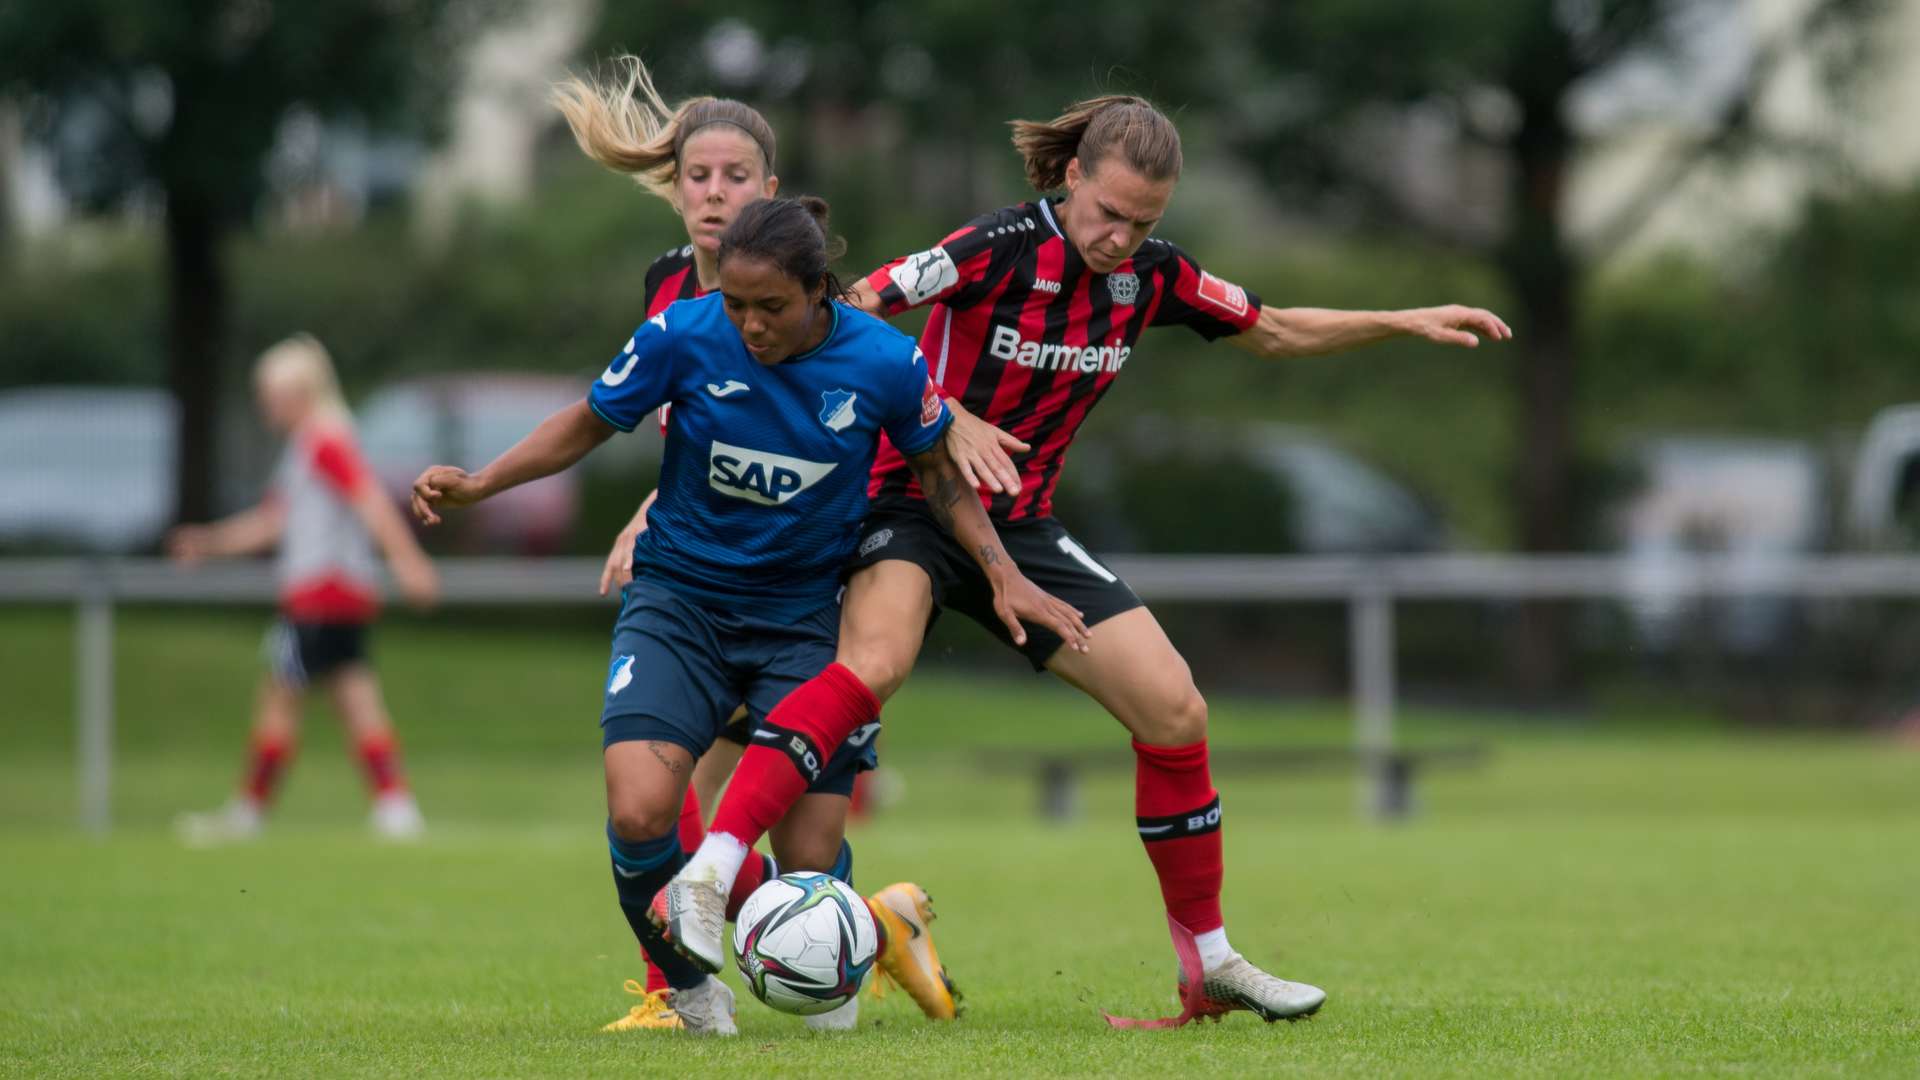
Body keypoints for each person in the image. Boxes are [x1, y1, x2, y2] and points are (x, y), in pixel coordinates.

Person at [658, 94, 1511, 1025]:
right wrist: (941, 411)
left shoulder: (1153, 277)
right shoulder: (995, 247)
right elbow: (853, 303)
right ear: (1072, 177)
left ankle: (1209, 964)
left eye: (1144, 221)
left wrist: (1403, 318)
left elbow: (1270, 329)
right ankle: (711, 876)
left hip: (1022, 526)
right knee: (876, 667)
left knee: (1176, 707)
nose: (1121, 237)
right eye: (1108, 214)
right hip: (906, 501)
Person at [409, 194, 1088, 1036]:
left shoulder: (885, 361)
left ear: (820, 292)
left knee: (807, 859)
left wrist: (1002, 572)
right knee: (638, 811)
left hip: (803, 616)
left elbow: (939, 476)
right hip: (679, 603)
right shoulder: (683, 335)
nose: (751, 326)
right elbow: (587, 423)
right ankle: (691, 992)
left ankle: (860, 936)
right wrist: (482, 482)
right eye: (737, 305)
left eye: (772, 308)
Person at [556, 58, 966, 1032]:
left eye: (735, 177)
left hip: (811, 570)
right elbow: (681, 426)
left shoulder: (818, 301)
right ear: (676, 188)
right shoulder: (670, 291)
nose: (713, 193)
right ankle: (689, 986)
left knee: (783, 828)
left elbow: (876, 410)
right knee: (670, 794)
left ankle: (839, 938)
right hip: (703, 574)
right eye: (697, 177)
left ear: (770, 196)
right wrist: (644, 515)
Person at [172, 334, 439, 845]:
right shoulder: (310, 445)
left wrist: (409, 562)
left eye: (271, 393)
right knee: (357, 700)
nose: (264, 404)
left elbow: (370, 501)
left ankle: (248, 812)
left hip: (319, 596)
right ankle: (396, 808)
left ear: (300, 393)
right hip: (342, 596)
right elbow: (276, 521)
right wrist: (210, 542)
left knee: (279, 697)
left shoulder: (324, 441)